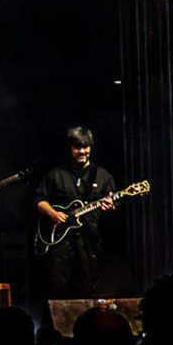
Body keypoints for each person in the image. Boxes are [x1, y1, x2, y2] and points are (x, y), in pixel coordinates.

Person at [35, 126, 117, 301]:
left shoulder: (102, 176)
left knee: (88, 287)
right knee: (58, 287)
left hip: (90, 239)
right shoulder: (56, 174)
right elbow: (39, 200)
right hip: (61, 242)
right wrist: (52, 213)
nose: (82, 151)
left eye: (85, 147)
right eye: (77, 147)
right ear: (70, 148)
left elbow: (113, 201)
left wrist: (110, 205)